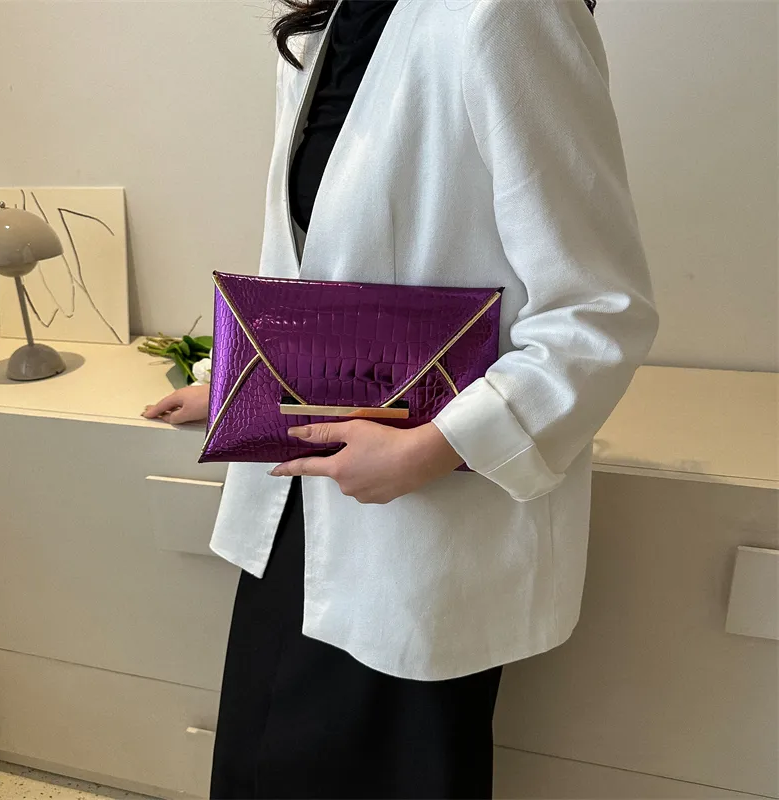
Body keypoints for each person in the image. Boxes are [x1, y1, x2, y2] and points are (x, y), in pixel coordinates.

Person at [143, 0, 659, 796]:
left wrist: (437, 448)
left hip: (426, 514)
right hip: (303, 498)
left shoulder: (510, 13)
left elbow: (598, 310)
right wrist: (244, 378)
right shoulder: (335, 22)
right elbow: (322, 264)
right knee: (265, 760)